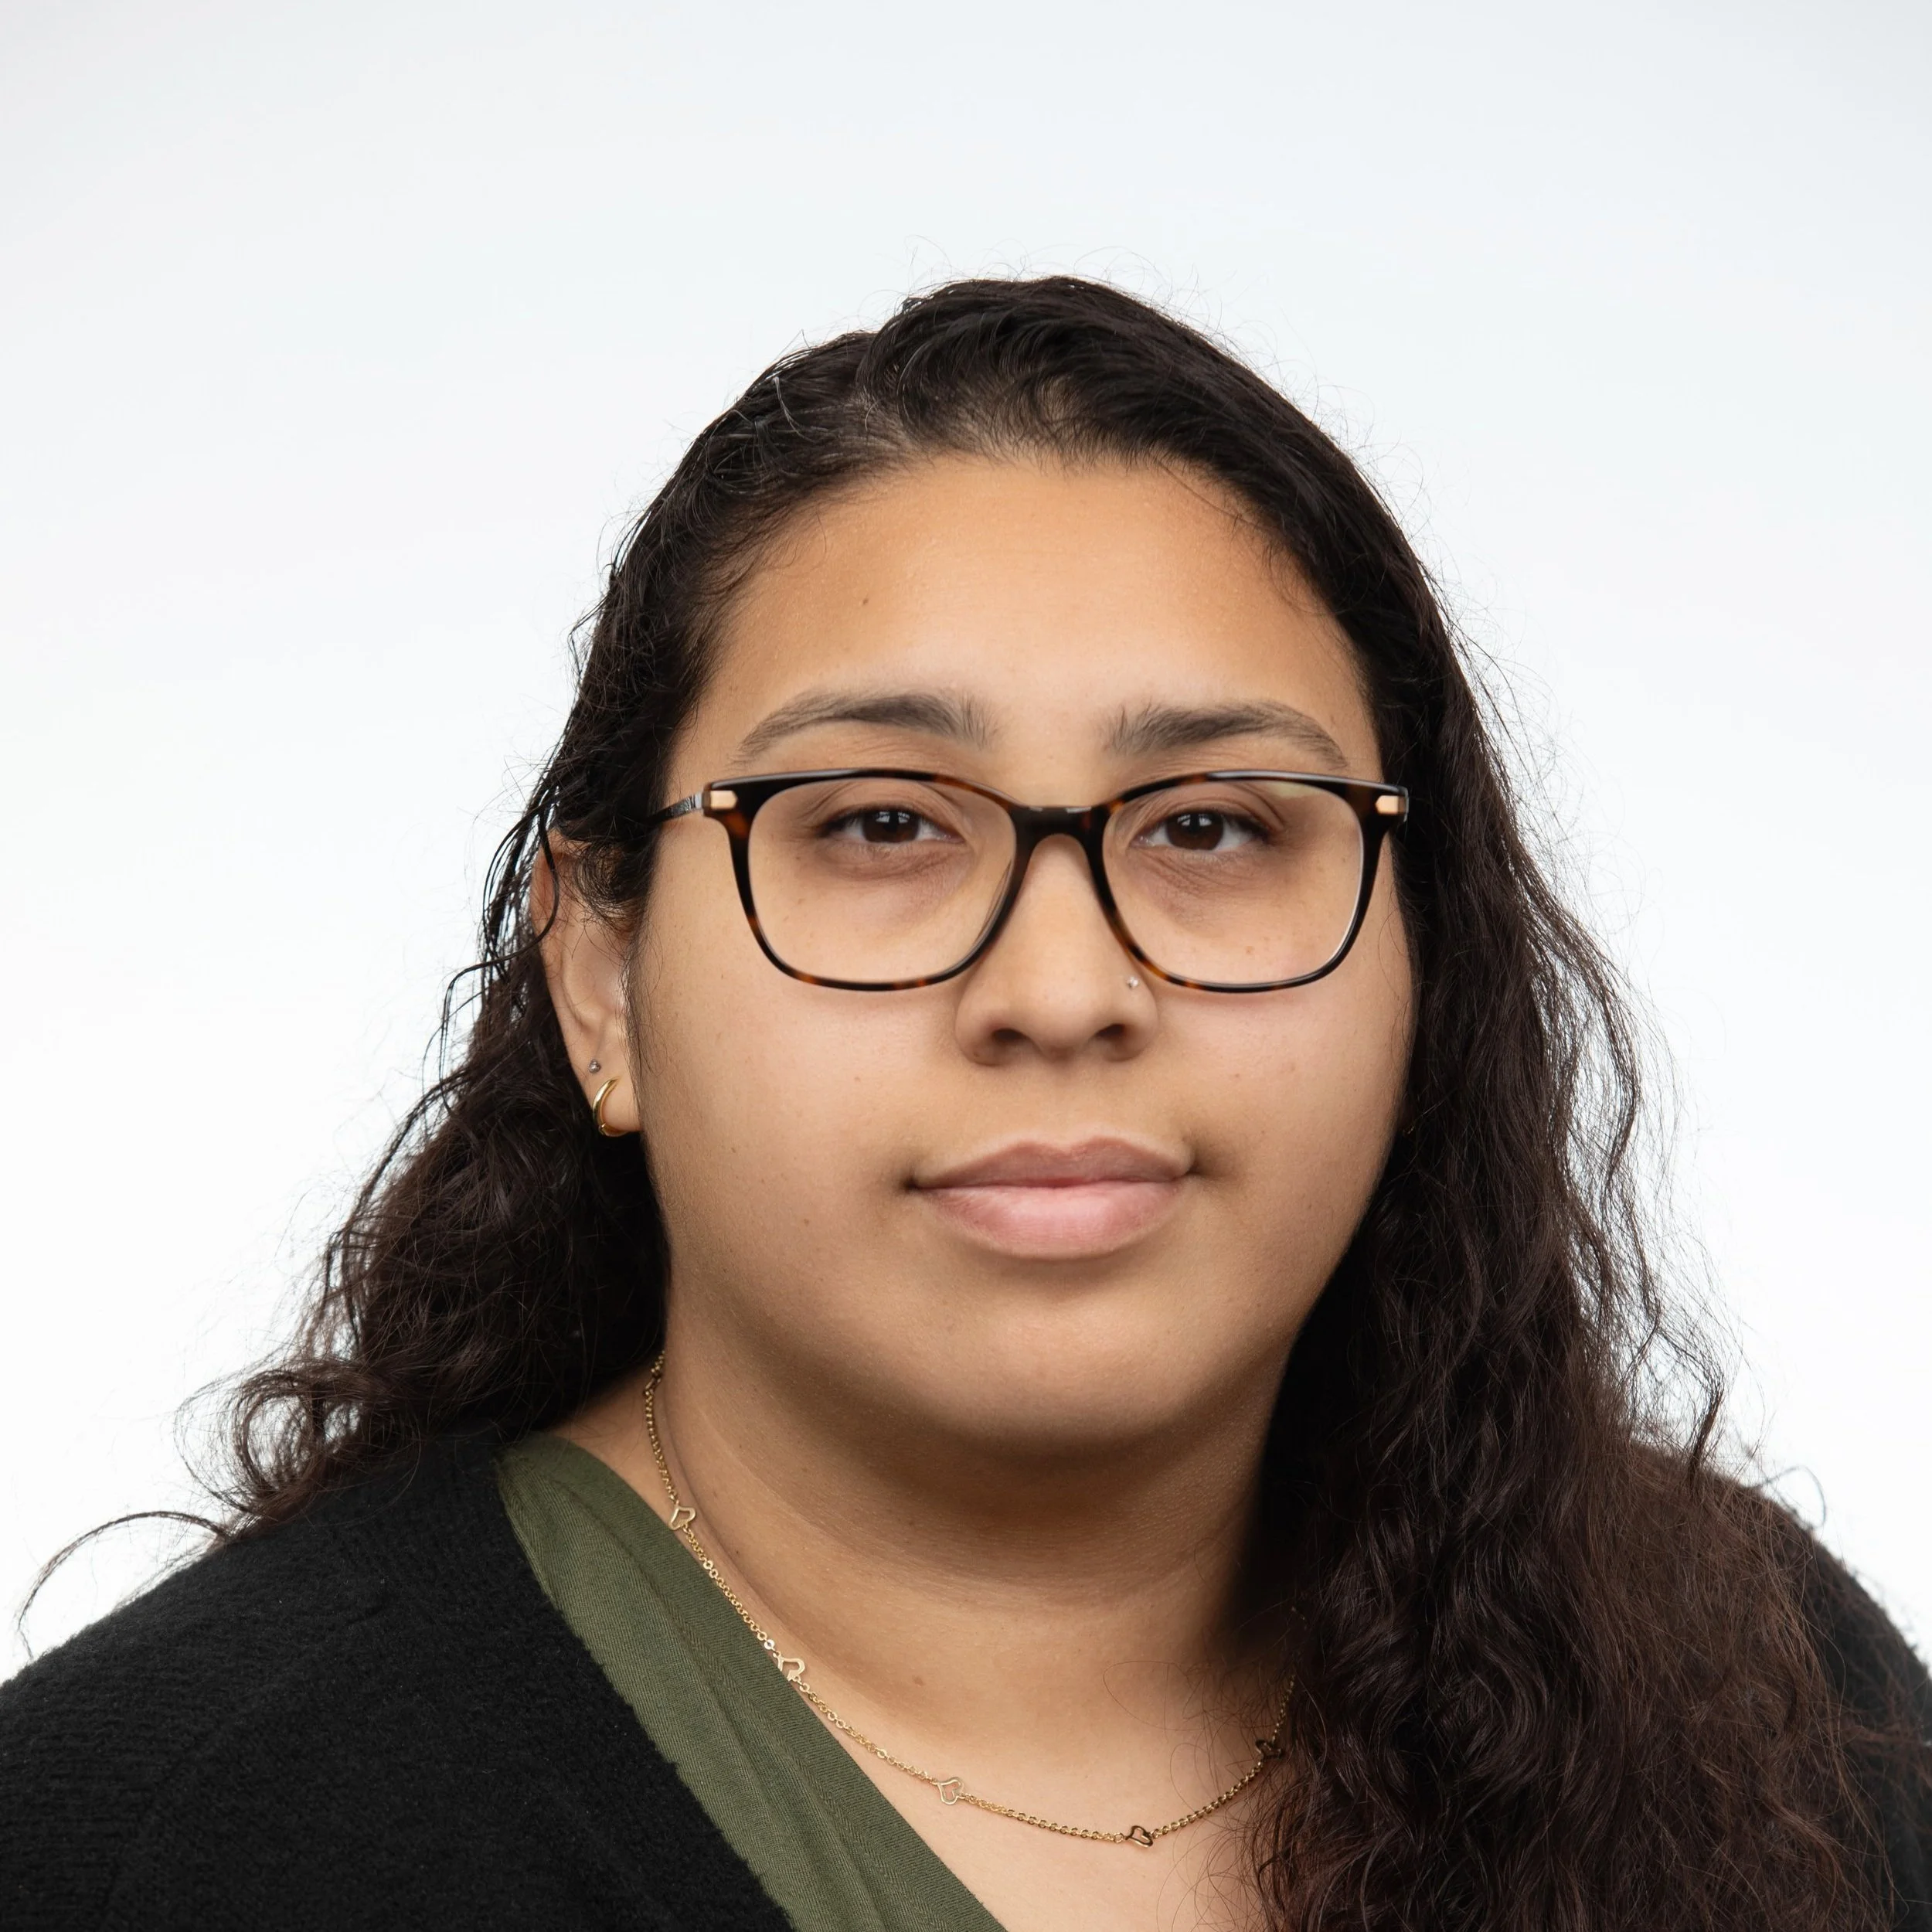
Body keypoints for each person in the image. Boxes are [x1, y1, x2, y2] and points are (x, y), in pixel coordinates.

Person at [2, 276, 1926, 1932]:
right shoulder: (166, 1837)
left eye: (1210, 826)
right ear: (599, 972)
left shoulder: (1760, 1697)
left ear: (1423, 958)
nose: (1061, 991)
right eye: (878, 825)